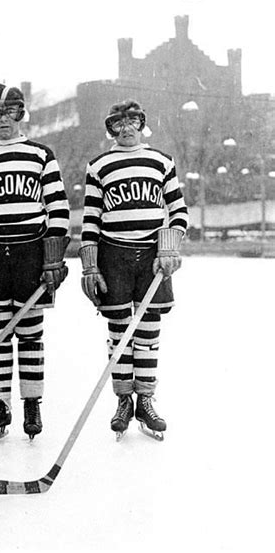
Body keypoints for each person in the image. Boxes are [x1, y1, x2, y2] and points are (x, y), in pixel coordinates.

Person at [0, 83, 70, 444]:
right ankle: (0, 405)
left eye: (10, 112)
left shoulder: (40, 154)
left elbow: (59, 209)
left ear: (21, 114)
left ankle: (32, 402)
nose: (3, 120)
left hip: (30, 255)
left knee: (30, 333)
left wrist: (53, 259)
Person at [79, 99, 188, 441]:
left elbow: (179, 210)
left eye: (132, 122)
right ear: (111, 129)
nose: (126, 129)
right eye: (118, 124)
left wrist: (169, 245)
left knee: (148, 330)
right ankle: (123, 400)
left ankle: (146, 399)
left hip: (151, 255)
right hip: (114, 254)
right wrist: (91, 265)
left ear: (142, 124)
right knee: (119, 331)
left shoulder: (160, 161)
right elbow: (91, 220)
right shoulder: (99, 166)